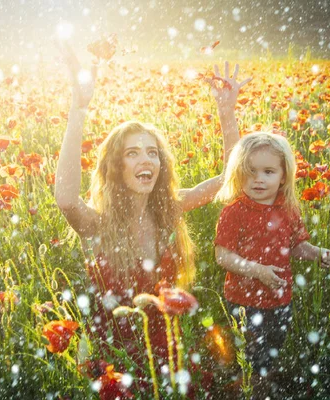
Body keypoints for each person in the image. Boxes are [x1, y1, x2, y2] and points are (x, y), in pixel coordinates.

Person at [53, 42, 251, 366]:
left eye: (152, 152)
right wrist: (79, 107)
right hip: (114, 360)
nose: (145, 159)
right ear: (115, 166)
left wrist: (226, 113)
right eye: (132, 153)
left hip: (166, 352)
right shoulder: (98, 224)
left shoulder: (169, 209)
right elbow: (65, 198)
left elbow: (230, 177)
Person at [213, 132, 330, 392]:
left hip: (280, 297)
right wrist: (256, 270)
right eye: (251, 171)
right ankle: (248, 389)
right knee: (249, 353)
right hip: (244, 299)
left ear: (283, 176)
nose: (258, 179)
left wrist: (317, 253)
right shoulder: (233, 212)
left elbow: (296, 247)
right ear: (238, 173)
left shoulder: (288, 209)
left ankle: (262, 382)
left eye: (268, 171)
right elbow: (222, 256)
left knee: (272, 348)